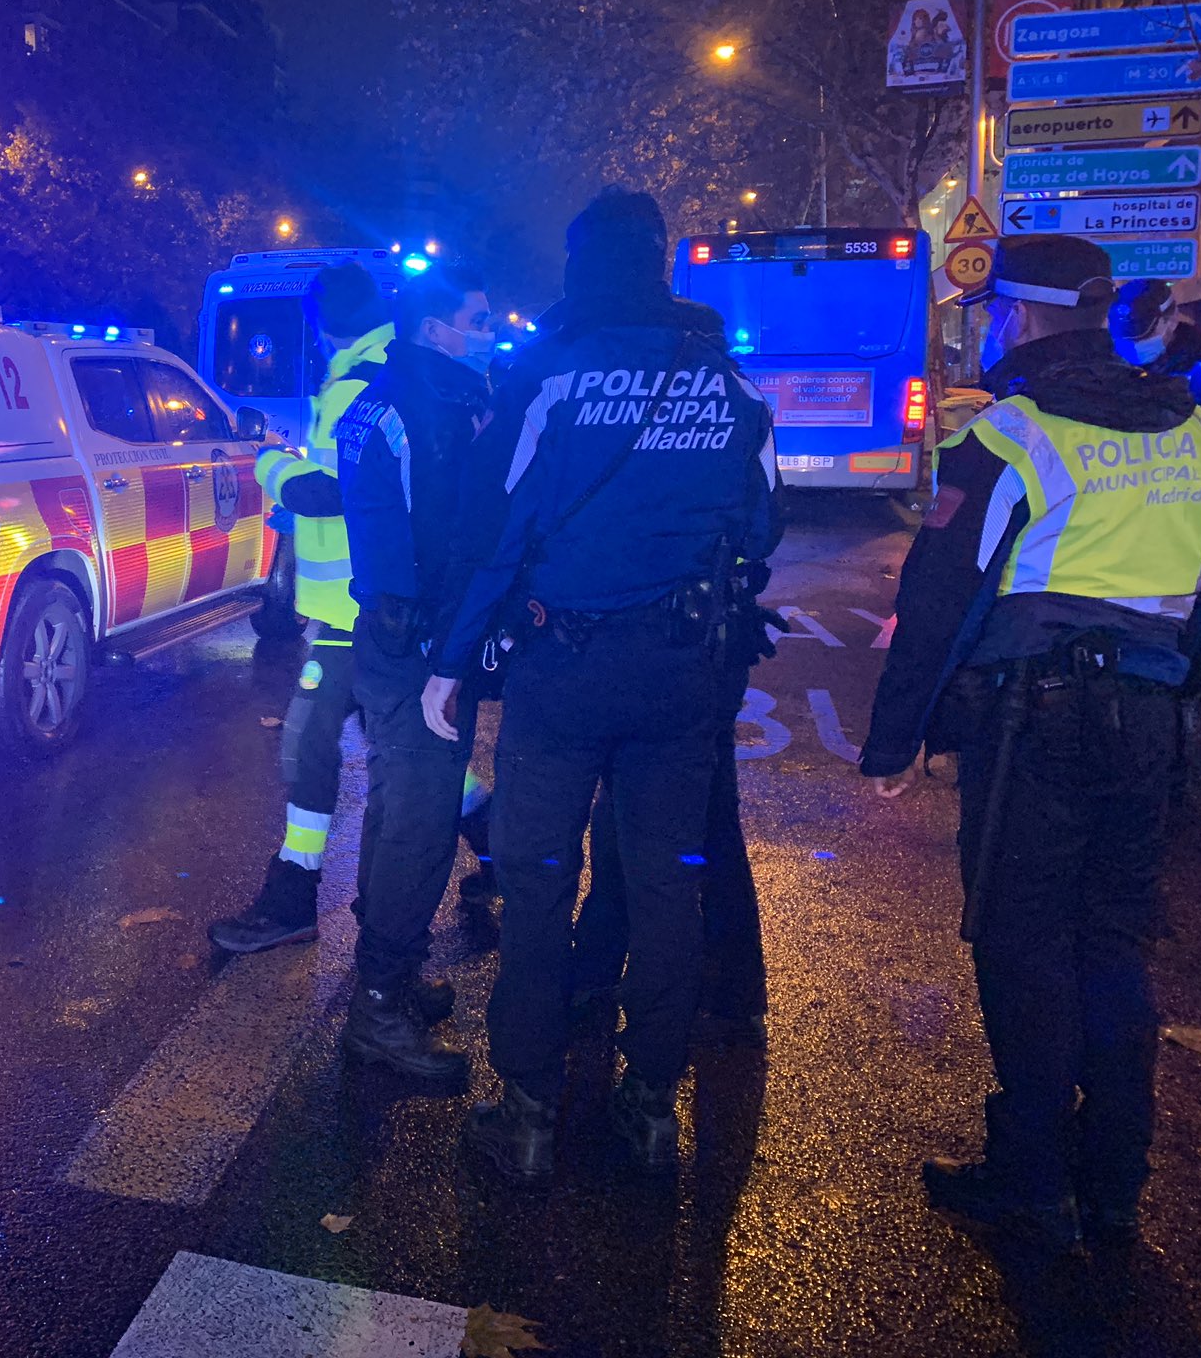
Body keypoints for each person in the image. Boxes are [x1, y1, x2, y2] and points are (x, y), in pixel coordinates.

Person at [862, 235, 1201, 1252]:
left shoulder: (1010, 432)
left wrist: (897, 742)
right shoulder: (1189, 425)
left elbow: (935, 600)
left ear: (1013, 316)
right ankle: (1111, 1181)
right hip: (1145, 728)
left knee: (1021, 945)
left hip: (1035, 725)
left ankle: (1027, 1179)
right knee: (1110, 944)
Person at [423, 188, 778, 1182]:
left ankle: (528, 1112)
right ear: (658, 262)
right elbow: (760, 531)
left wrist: (450, 662)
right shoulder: (728, 384)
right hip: (678, 677)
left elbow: (492, 534)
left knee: (535, 882)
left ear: (580, 267)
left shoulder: (546, 376)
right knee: (666, 890)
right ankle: (647, 1108)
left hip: (560, 672)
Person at [208, 262, 489, 964]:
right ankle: (501, 847)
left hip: (360, 616)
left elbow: (335, 490)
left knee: (313, 748)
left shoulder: (364, 379)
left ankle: (295, 899)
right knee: (418, 762)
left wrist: (269, 464)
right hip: (363, 615)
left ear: (318, 321)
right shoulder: (368, 369)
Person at [334, 261, 495, 1085]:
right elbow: (451, 547)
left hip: (385, 639)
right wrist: (459, 656)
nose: (488, 332)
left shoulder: (378, 399)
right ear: (437, 331)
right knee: (422, 826)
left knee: (396, 806)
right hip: (424, 646)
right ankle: (380, 1007)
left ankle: (385, 970)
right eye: (477, 319)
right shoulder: (432, 413)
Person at [568, 557, 782, 1043]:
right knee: (691, 818)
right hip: (705, 633)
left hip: (677, 638)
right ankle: (724, 987)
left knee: (663, 820)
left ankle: (615, 982)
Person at [1112, 277, 1201, 420]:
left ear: (1171, 321)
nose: (1134, 346)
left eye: (1145, 336)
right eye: (1124, 339)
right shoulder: (1108, 372)